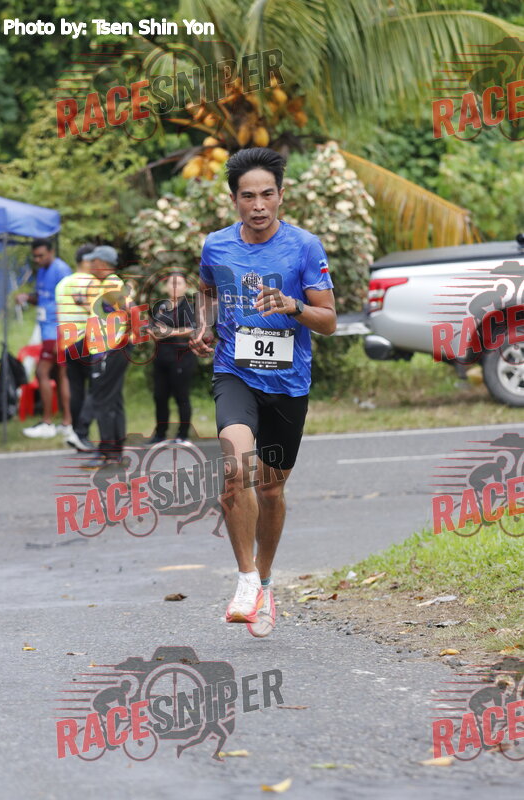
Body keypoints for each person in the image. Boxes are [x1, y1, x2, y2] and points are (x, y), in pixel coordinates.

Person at [191, 147, 336, 637]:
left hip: (288, 381)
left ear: (281, 195)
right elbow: (208, 293)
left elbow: (329, 321)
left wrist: (293, 306)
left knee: (271, 488)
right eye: (248, 196)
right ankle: (246, 580)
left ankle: (267, 583)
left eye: (267, 195)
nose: (258, 205)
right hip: (234, 372)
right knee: (237, 470)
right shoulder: (216, 246)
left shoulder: (305, 247)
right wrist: (204, 326)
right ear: (234, 200)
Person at [80, 245, 131, 468]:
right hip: (116, 348)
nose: (89, 265)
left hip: (110, 350)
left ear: (101, 263)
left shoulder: (110, 284)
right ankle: (116, 451)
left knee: (102, 399)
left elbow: (130, 310)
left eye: (92, 261)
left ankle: (107, 452)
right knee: (114, 398)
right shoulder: (111, 283)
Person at [16, 238, 73, 438]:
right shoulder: (41, 271)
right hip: (46, 330)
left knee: (42, 372)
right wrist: (27, 298)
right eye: (35, 256)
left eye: (41, 255)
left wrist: (62, 335)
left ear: (51, 252)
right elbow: (43, 298)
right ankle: (67, 422)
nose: (38, 259)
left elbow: (69, 303)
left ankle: (48, 422)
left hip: (57, 331)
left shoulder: (61, 270)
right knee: (60, 375)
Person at [55, 243, 98, 451]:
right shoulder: (92, 283)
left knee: (76, 388)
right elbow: (99, 312)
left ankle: (76, 433)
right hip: (87, 341)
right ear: (87, 261)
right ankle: (81, 431)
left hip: (67, 341)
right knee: (98, 386)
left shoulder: (62, 284)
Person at [148, 272, 197, 445]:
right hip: (161, 356)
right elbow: (153, 328)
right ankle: (160, 434)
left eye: (179, 283)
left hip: (181, 357)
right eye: (171, 283)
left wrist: (170, 332)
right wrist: (153, 333)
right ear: (165, 286)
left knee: (181, 396)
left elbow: (192, 329)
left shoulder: (189, 307)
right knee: (159, 396)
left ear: (186, 287)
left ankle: (183, 435)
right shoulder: (160, 307)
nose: (175, 287)